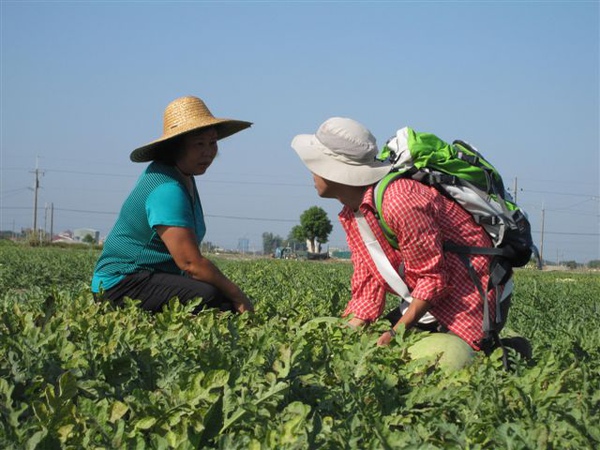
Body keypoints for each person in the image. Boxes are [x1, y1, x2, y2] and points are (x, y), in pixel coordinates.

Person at [291, 117, 508, 366]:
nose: (311, 172)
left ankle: (508, 352)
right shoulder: (353, 212)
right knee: (377, 353)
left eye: (316, 165)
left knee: (441, 365)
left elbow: (433, 279)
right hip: (428, 298)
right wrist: (345, 337)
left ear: (335, 171)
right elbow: (368, 283)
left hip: (470, 292)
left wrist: (396, 333)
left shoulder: (399, 200)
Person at [91, 96, 254, 315]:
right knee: (211, 297)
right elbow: (190, 263)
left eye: (212, 143)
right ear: (176, 147)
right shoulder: (167, 188)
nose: (208, 152)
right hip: (120, 283)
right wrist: (238, 295)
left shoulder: (184, 176)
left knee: (217, 299)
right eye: (199, 144)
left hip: (147, 277)